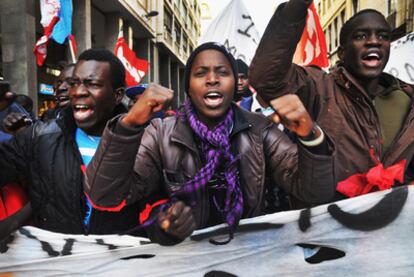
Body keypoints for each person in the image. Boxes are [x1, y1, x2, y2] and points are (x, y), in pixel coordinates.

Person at [84, 42, 336, 245]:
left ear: (233, 84)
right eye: (201, 73)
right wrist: (129, 124)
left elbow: (315, 192)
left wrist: (310, 136)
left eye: (222, 72)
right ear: (189, 87)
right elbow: (104, 195)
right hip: (185, 263)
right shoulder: (160, 133)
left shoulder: (260, 129)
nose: (212, 79)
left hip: (246, 259)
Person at [249, 0, 414, 199]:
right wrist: (298, 5)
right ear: (342, 52)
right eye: (361, 36)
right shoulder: (319, 88)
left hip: (397, 224)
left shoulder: (409, 98)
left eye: (383, 36)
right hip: (335, 223)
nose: (374, 41)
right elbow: (266, 78)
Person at [0, 48, 142, 235]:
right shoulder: (39, 137)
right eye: (74, 83)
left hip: (123, 261)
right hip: (57, 261)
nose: (78, 92)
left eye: (92, 84)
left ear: (117, 95)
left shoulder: (145, 142)